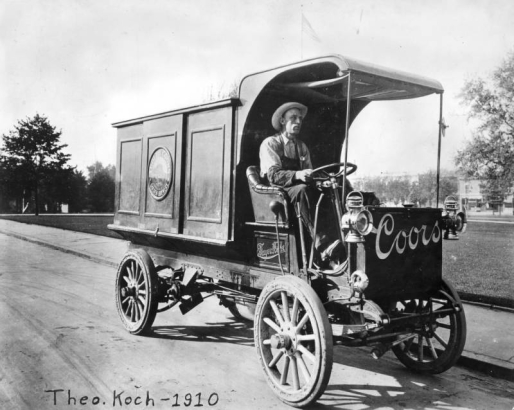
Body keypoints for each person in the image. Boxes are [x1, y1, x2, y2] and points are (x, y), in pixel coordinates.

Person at [259, 102, 342, 263]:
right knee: (302, 189)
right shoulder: (270, 144)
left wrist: (319, 182)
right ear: (282, 121)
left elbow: (309, 172)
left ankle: (339, 240)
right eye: (293, 118)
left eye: (300, 119)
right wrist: (298, 174)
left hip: (297, 190)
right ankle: (322, 245)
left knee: (330, 190)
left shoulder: (301, 147)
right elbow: (273, 175)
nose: (298, 122)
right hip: (277, 193)